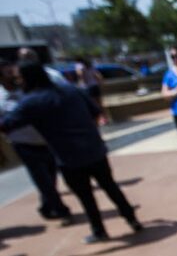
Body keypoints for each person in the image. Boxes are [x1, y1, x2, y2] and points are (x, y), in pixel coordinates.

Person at [0, 61, 141, 243]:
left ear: (27, 78)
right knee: (110, 186)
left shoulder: (31, 102)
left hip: (69, 158)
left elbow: (7, 125)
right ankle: (132, 219)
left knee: (86, 197)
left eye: (19, 77)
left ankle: (99, 231)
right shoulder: (71, 91)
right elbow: (95, 111)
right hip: (94, 150)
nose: (17, 81)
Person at [0, 59, 71, 221]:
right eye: (7, 72)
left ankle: (46, 206)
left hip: (46, 140)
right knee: (42, 180)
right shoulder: (1, 96)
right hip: (24, 144)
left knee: (50, 177)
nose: (12, 74)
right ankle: (61, 210)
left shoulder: (30, 91)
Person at [74, 58, 108, 125]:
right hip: (95, 86)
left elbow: (80, 75)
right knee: (100, 104)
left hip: (88, 88)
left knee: (92, 105)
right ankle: (104, 118)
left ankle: (97, 120)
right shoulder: (91, 67)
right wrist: (100, 83)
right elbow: (99, 76)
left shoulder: (80, 67)